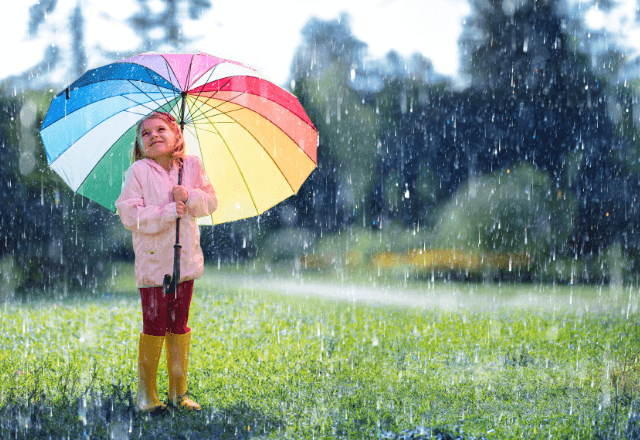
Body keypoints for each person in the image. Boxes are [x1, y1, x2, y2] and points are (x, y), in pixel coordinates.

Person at [115, 112, 217, 413]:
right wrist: (166, 211)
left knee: (178, 323)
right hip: (153, 265)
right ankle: (147, 396)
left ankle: (178, 393)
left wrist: (190, 195)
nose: (154, 135)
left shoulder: (192, 167)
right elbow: (129, 214)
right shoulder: (138, 172)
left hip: (184, 263)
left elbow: (210, 203)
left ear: (177, 136)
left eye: (161, 129)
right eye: (145, 133)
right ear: (139, 144)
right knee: (155, 323)